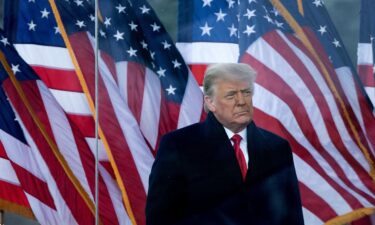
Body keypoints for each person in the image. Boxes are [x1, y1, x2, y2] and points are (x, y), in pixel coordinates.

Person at [146, 63, 304, 225]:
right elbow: (160, 218)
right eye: (231, 95)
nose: (241, 101)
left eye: (246, 92)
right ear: (210, 102)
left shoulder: (277, 147)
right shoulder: (178, 145)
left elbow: (292, 218)